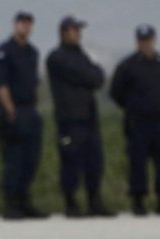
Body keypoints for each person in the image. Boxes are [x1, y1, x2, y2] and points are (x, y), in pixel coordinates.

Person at [46, 16, 114, 218]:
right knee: (71, 162)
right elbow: (88, 75)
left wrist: (91, 74)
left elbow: (98, 77)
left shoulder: (81, 55)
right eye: (74, 30)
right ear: (63, 32)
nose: (78, 34)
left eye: (78, 30)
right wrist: (90, 75)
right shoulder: (56, 57)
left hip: (89, 119)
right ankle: (71, 203)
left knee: (94, 162)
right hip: (70, 120)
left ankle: (95, 201)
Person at [110, 25, 160, 216]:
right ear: (137, 42)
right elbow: (116, 92)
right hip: (138, 121)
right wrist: (133, 106)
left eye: (148, 39)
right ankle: (138, 201)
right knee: (138, 161)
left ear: (154, 40)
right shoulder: (128, 65)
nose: (146, 43)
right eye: (142, 40)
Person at [0, 12, 47, 220]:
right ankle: (11, 203)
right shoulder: (3, 52)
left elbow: (34, 84)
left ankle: (24, 200)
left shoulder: (32, 52)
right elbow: (1, 85)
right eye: (22, 23)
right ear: (15, 25)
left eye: (28, 23)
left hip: (29, 109)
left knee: (31, 159)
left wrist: (35, 107)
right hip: (13, 110)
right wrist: (9, 110)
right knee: (14, 159)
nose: (25, 27)